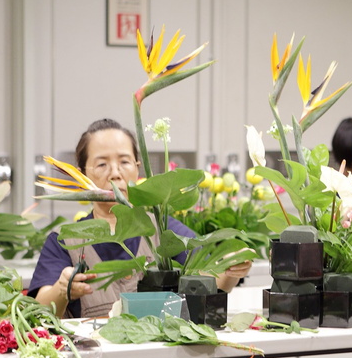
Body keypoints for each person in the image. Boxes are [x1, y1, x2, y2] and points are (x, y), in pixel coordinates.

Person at [30, 119, 252, 319]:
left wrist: (232, 268)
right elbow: (39, 312)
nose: (115, 173)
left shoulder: (163, 230)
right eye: (101, 164)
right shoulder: (64, 241)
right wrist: (62, 290)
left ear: (137, 169)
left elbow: (210, 281)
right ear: (82, 175)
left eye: (124, 162)